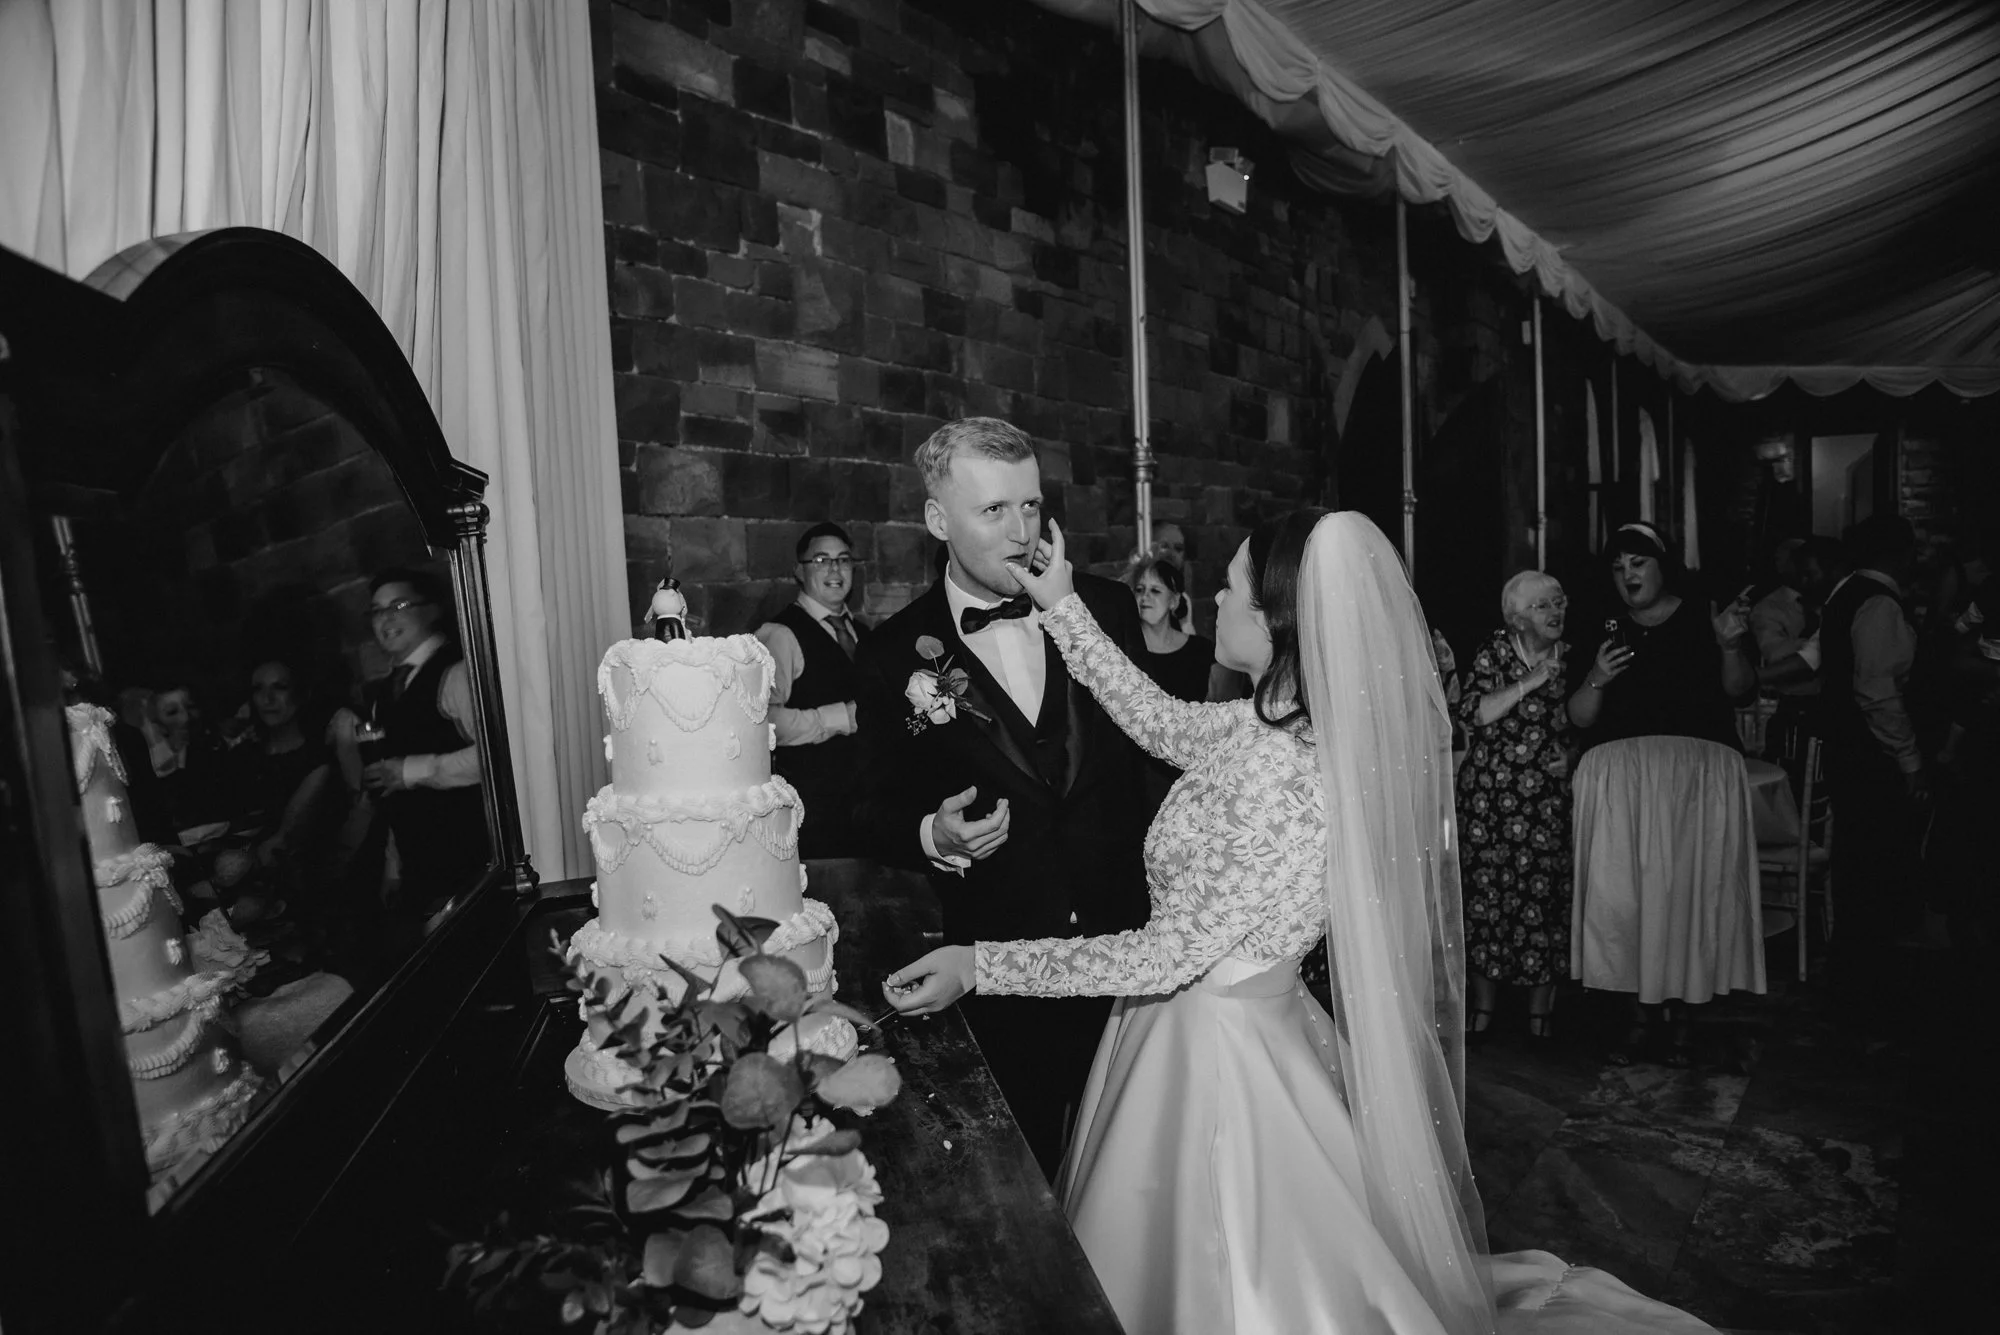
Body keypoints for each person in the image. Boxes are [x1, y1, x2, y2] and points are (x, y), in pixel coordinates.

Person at [884, 511, 1726, 1335]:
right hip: (1222, 1023)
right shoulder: (1270, 725)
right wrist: (1064, 604)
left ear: (1278, 619)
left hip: (1217, 1054)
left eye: (1231, 586)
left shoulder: (1279, 772)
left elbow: (1164, 953)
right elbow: (1160, 720)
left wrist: (979, 963)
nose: (1213, 597)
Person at [851, 417, 1152, 1179]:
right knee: (1023, 1183)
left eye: (1031, 505)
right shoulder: (892, 658)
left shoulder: (1106, 612)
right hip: (995, 969)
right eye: (994, 511)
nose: (1022, 532)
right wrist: (932, 835)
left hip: (1129, 961)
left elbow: (1153, 769)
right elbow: (869, 808)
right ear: (937, 519)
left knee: (1132, 1180)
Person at [1567, 522, 1762, 1063]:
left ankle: (1685, 1016)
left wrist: (1728, 646)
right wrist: (1597, 676)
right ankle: (1636, 1015)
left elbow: (1740, 691)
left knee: (1690, 891)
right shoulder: (1602, 629)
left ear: (1662, 565)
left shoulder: (1706, 617)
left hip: (1695, 778)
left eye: (1638, 563)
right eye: (1618, 566)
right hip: (1622, 780)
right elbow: (1578, 716)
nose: (1627, 575)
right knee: (1625, 897)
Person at [1456, 571, 1574, 1041]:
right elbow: (1473, 711)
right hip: (1489, 800)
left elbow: (1589, 718)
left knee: (1544, 900)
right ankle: (1484, 1010)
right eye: (1543, 605)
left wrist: (1578, 755)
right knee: (1486, 901)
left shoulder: (1576, 657)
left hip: (1545, 800)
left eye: (1559, 601)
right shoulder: (1495, 651)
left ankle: (1540, 1015)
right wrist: (1531, 681)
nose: (1555, 611)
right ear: (1516, 617)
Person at [1815, 515, 1933, 983]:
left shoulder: (1844, 594)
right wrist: (1910, 760)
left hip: (1849, 750)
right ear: (1900, 555)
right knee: (1875, 865)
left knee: (1857, 862)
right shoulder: (1878, 604)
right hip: (1872, 757)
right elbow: (1877, 691)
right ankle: (1869, 976)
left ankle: (1856, 968)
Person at [360, 568, 487, 919]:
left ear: (431, 610)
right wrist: (393, 866)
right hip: (418, 866)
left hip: (470, 856)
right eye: (377, 610)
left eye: (399, 604)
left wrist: (411, 771)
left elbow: (494, 759)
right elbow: (390, 794)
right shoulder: (383, 694)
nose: (386, 618)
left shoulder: (458, 672)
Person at [754, 523, 869, 858]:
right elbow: (762, 723)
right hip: (812, 813)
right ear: (799, 572)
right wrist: (841, 717)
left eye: (843, 560)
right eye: (821, 560)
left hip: (863, 809)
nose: (834, 569)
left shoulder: (863, 633)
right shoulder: (779, 634)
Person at [1125, 555, 1215, 819]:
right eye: (1140, 590)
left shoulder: (1201, 651)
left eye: (1155, 591)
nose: (1145, 598)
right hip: (1137, 781)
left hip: (1189, 780)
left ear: (1175, 600)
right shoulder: (1126, 652)